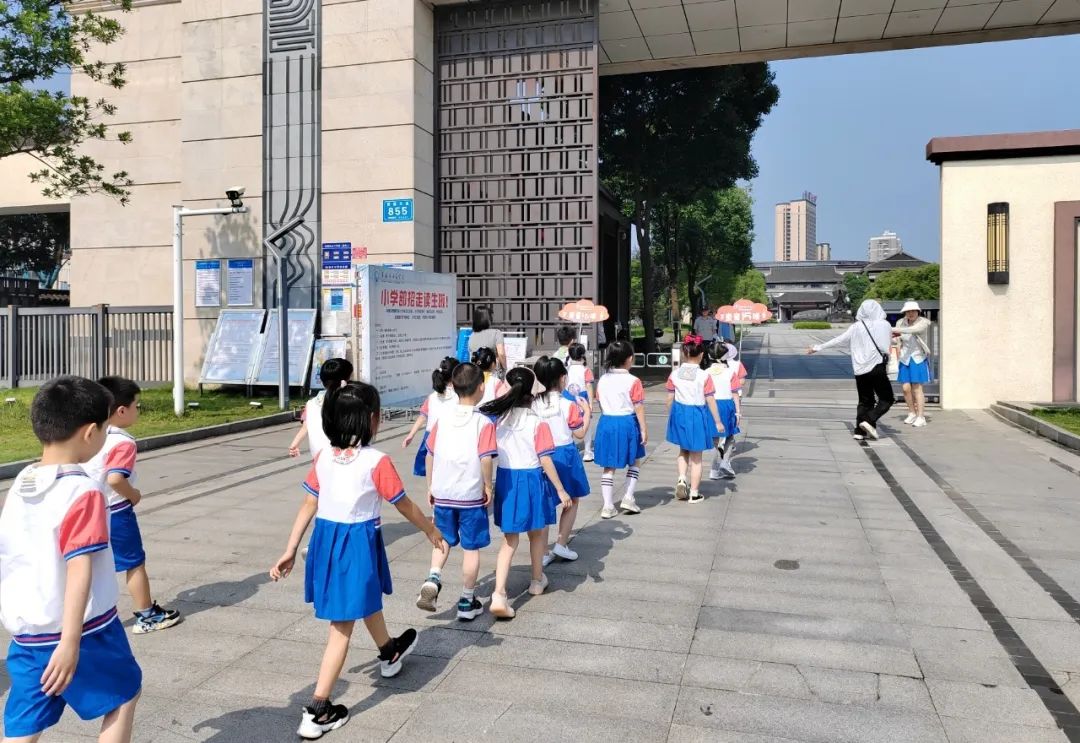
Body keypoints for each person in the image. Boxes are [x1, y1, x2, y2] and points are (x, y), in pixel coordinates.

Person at [270, 381, 447, 740]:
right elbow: (404, 504)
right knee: (341, 628)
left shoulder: (323, 458)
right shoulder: (376, 461)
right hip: (355, 545)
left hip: (327, 540)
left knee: (363, 600)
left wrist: (290, 548)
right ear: (371, 420)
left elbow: (309, 504)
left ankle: (389, 650)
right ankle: (318, 708)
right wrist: (430, 530)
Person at [1, 377, 141, 742]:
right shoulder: (83, 490)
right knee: (124, 695)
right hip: (86, 632)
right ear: (91, 432)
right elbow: (80, 566)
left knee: (24, 724)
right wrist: (70, 642)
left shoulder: (22, 482)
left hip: (27, 634)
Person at [84, 376, 181, 635]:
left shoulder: (87, 434)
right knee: (134, 563)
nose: (138, 410)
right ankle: (147, 615)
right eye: (137, 405)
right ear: (121, 410)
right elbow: (116, 478)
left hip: (84, 511)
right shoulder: (123, 442)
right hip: (115, 512)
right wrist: (133, 495)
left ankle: (82, 619)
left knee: (85, 565)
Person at [479, 368, 571, 619]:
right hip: (532, 480)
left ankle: (499, 593)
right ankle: (536, 580)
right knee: (537, 534)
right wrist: (561, 489)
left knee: (509, 541)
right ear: (531, 391)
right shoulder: (536, 423)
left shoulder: (498, 422)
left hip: (508, 481)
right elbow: (546, 460)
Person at [415, 363, 496, 621]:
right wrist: (488, 485)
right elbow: (485, 459)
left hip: (443, 491)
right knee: (471, 548)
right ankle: (466, 599)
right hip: (470, 494)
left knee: (443, 540)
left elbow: (430, 453)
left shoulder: (442, 419)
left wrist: (430, 485)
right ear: (480, 387)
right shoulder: (483, 422)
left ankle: (433, 577)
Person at [807, 299, 895, 441]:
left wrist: (817, 347)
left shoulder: (856, 327)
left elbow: (839, 339)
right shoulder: (885, 325)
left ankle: (859, 431)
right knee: (887, 399)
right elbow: (886, 346)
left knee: (865, 401)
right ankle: (868, 420)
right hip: (877, 366)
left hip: (860, 369)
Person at [532, 357, 591, 566]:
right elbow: (580, 434)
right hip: (565, 454)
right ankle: (561, 543)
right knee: (572, 499)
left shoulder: (533, 403)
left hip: (540, 456)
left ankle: (544, 550)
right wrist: (588, 414)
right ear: (562, 378)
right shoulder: (568, 405)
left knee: (547, 504)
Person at [665, 336, 724, 503]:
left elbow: (670, 398)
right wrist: (718, 421)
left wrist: (671, 415)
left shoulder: (674, 374)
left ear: (684, 353)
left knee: (683, 450)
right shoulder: (704, 376)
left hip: (679, 412)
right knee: (697, 457)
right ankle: (694, 493)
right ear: (701, 355)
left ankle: (682, 478)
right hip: (697, 414)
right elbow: (710, 399)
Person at [593, 340, 648, 519]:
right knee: (635, 460)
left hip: (607, 421)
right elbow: (638, 406)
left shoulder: (602, 379)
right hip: (627, 422)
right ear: (629, 358)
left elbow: (599, 401)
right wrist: (643, 428)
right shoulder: (633, 381)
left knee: (609, 466)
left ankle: (608, 506)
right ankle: (628, 497)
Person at [401, 357, 459, 477]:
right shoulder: (459, 396)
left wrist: (410, 435)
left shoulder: (432, 397)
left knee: (431, 473)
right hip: (450, 437)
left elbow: (422, 417)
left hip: (430, 437)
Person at [289, 358, 353, 458]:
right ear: (347, 379)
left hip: (319, 459)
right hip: (346, 459)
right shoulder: (350, 401)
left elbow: (306, 426)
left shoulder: (311, 404)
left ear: (322, 380)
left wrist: (294, 444)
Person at [707, 341, 743, 480]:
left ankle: (715, 470)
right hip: (727, 405)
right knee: (729, 437)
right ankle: (723, 463)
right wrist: (738, 412)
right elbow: (735, 393)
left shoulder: (705, 373)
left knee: (716, 440)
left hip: (710, 406)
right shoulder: (730, 372)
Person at [893, 301, 932, 428]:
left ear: (917, 311)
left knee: (917, 388)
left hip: (918, 357)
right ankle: (912, 413)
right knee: (905, 388)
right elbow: (898, 338)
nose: (910, 313)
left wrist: (892, 329)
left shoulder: (924, 322)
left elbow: (912, 330)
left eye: (913, 311)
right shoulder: (900, 322)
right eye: (908, 311)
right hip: (905, 358)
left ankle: (921, 417)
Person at [564, 343, 596, 462]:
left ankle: (571, 449)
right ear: (582, 355)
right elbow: (589, 387)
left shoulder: (566, 368)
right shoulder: (585, 370)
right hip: (582, 400)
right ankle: (587, 452)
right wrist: (591, 404)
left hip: (567, 399)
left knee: (568, 425)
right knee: (586, 424)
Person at [467, 307, 508, 375]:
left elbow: (472, 356)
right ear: (488, 319)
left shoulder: (471, 336)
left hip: (477, 374)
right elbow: (501, 354)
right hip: (493, 374)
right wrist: (505, 368)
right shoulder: (496, 333)